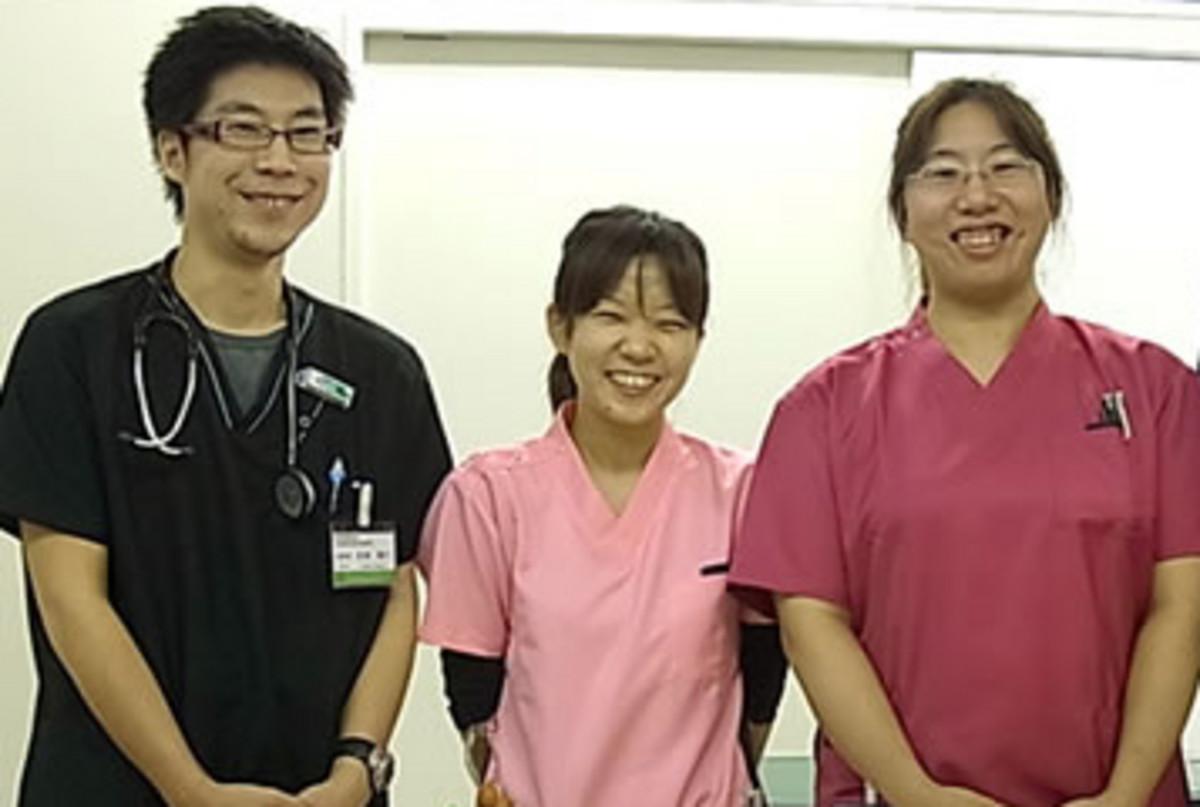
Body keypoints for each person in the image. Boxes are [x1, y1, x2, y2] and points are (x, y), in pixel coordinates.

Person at [0, 6, 450, 806]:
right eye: (242, 129)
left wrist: (357, 768)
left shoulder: (380, 371)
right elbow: (71, 597)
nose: (279, 160)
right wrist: (191, 789)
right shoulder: (73, 346)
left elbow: (392, 589)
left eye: (307, 134)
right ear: (171, 150)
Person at [728, 77, 1200, 807]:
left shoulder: (1156, 390)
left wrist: (1126, 794)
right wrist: (916, 793)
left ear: (1051, 197)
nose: (977, 196)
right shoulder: (824, 408)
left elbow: (1182, 605)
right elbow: (812, 623)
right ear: (903, 213)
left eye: (1006, 166)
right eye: (943, 173)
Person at [418, 205, 786, 806]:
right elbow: (472, 688)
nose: (639, 347)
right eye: (610, 317)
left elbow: (764, 672)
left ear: (698, 340)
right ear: (560, 328)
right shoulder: (488, 496)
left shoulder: (741, 492)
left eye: (669, 324)